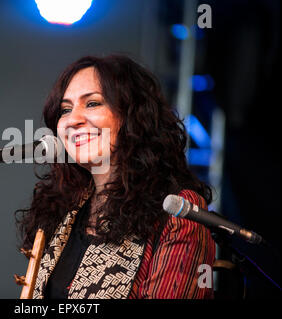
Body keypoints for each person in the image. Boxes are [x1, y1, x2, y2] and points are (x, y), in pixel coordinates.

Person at [15, 54, 216, 299]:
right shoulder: (62, 210)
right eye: (65, 109)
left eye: (92, 104)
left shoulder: (178, 213)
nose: (73, 120)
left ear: (132, 116)